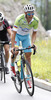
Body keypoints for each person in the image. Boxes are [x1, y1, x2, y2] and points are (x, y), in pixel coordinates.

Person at [11, 4, 39, 87]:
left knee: (28, 55)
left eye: (32, 13)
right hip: (17, 36)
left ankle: (28, 77)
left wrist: (32, 43)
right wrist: (13, 47)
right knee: (15, 52)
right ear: (25, 13)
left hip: (26, 37)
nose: (31, 15)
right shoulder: (19, 19)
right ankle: (12, 65)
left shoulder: (35, 20)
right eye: (29, 13)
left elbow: (34, 33)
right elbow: (13, 33)